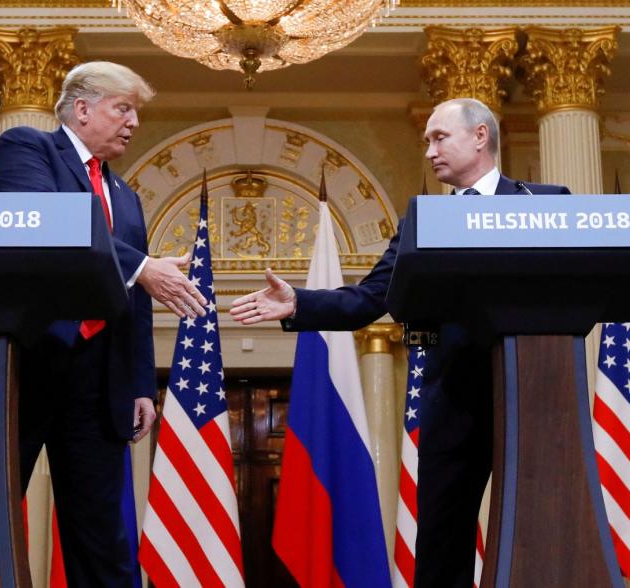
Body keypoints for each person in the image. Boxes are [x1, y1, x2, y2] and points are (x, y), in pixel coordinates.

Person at [230, 97, 570, 587]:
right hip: (452, 397)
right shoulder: (422, 220)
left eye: (439, 138)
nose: (429, 151)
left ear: (480, 136)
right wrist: (299, 304)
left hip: (534, 391)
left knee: (544, 528)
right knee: (442, 540)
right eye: (426, 141)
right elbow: (370, 298)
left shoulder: (545, 202)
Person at [0, 61, 207, 587]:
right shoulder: (28, 148)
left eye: (136, 112)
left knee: (101, 535)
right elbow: (42, 222)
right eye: (123, 108)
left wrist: (137, 385)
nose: (133, 123)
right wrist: (139, 265)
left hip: (98, 380)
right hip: (28, 364)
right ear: (82, 108)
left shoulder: (126, 197)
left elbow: (132, 301)